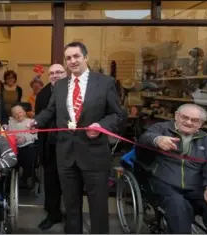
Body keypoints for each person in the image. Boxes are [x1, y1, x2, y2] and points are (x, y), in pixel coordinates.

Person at [28, 42, 123, 234]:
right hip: (66, 154)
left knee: (98, 207)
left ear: (85, 57)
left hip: (94, 153)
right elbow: (51, 110)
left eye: (76, 56)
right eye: (68, 58)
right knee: (71, 206)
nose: (72, 61)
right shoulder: (61, 85)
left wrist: (101, 126)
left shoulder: (105, 82)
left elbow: (117, 115)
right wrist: (36, 122)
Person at [138, 104, 207, 234]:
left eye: (194, 120)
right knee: (178, 208)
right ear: (176, 116)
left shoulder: (206, 139)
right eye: (184, 117)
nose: (188, 122)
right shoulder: (161, 129)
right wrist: (157, 140)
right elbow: (144, 138)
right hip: (166, 185)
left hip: (195, 187)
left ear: (201, 124)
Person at [35, 64, 66, 231]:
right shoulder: (43, 94)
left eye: (59, 72)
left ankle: (71, 215)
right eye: (52, 73)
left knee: (70, 183)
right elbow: (41, 120)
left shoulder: (74, 90)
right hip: (50, 145)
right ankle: (53, 214)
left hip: (71, 146)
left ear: (66, 74)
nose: (55, 75)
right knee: (51, 181)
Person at [8, 104, 37, 187]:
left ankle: (26, 176)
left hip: (27, 145)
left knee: (29, 152)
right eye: (15, 114)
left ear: (24, 112)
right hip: (15, 146)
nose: (18, 115)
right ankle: (12, 178)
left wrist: (25, 138)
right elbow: (8, 134)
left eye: (20, 112)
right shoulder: (10, 122)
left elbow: (34, 135)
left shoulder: (31, 122)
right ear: (13, 116)